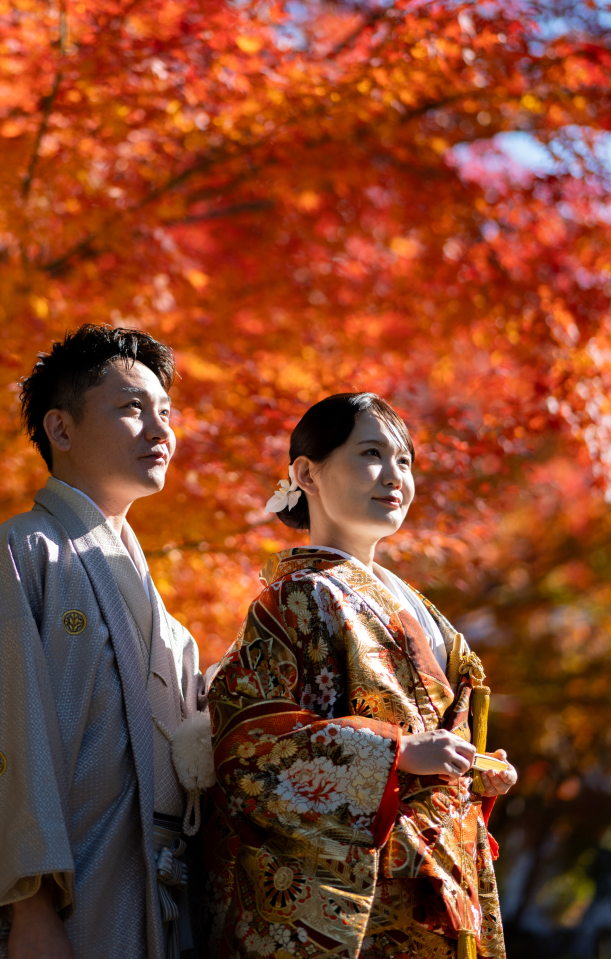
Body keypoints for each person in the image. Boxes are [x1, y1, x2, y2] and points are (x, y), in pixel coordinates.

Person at [0, 325, 207, 959]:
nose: (160, 431)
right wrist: (31, 910)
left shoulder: (165, 618)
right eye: (131, 409)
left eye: (165, 413)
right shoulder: (20, 554)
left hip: (158, 896)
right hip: (67, 908)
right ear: (61, 430)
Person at [205, 392, 517, 959]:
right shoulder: (299, 596)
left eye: (405, 460)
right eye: (371, 453)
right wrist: (396, 754)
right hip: (361, 896)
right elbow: (247, 749)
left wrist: (474, 763)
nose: (394, 475)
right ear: (306, 473)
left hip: (443, 872)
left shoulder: (416, 605)